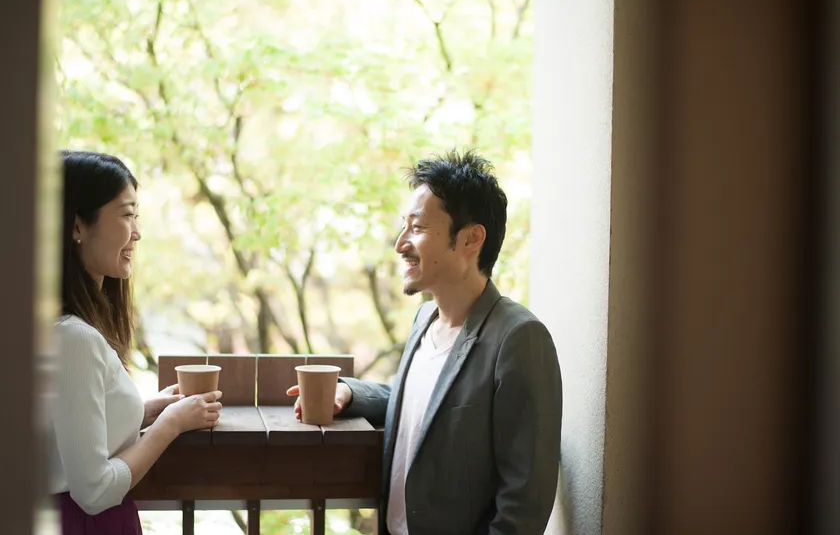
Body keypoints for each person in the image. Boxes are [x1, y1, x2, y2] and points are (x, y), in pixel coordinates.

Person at [288, 149, 563, 534]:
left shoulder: (518, 338)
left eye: (417, 228)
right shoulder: (424, 320)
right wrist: (350, 393)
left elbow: (525, 503)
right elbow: (430, 406)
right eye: (404, 227)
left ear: (470, 239)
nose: (401, 244)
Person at [47, 150, 223, 534]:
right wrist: (170, 424)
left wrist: (145, 411)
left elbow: (62, 432)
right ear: (78, 225)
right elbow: (93, 491)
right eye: (127, 215)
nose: (137, 233)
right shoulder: (73, 338)